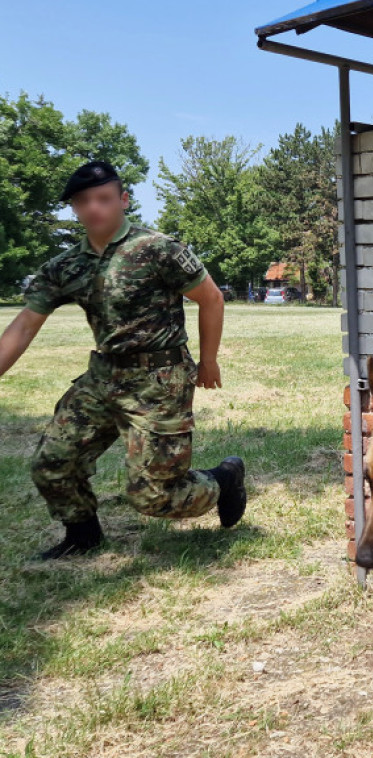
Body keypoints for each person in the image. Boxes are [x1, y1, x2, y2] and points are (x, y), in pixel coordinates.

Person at [0, 160, 247, 560]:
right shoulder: (65, 266)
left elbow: (211, 298)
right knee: (52, 463)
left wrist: (209, 360)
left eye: (103, 198)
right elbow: (24, 327)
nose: (94, 208)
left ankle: (223, 479)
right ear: (75, 209)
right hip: (103, 376)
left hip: (159, 378)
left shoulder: (158, 249)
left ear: (123, 200)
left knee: (151, 496)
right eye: (83, 201)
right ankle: (83, 537)